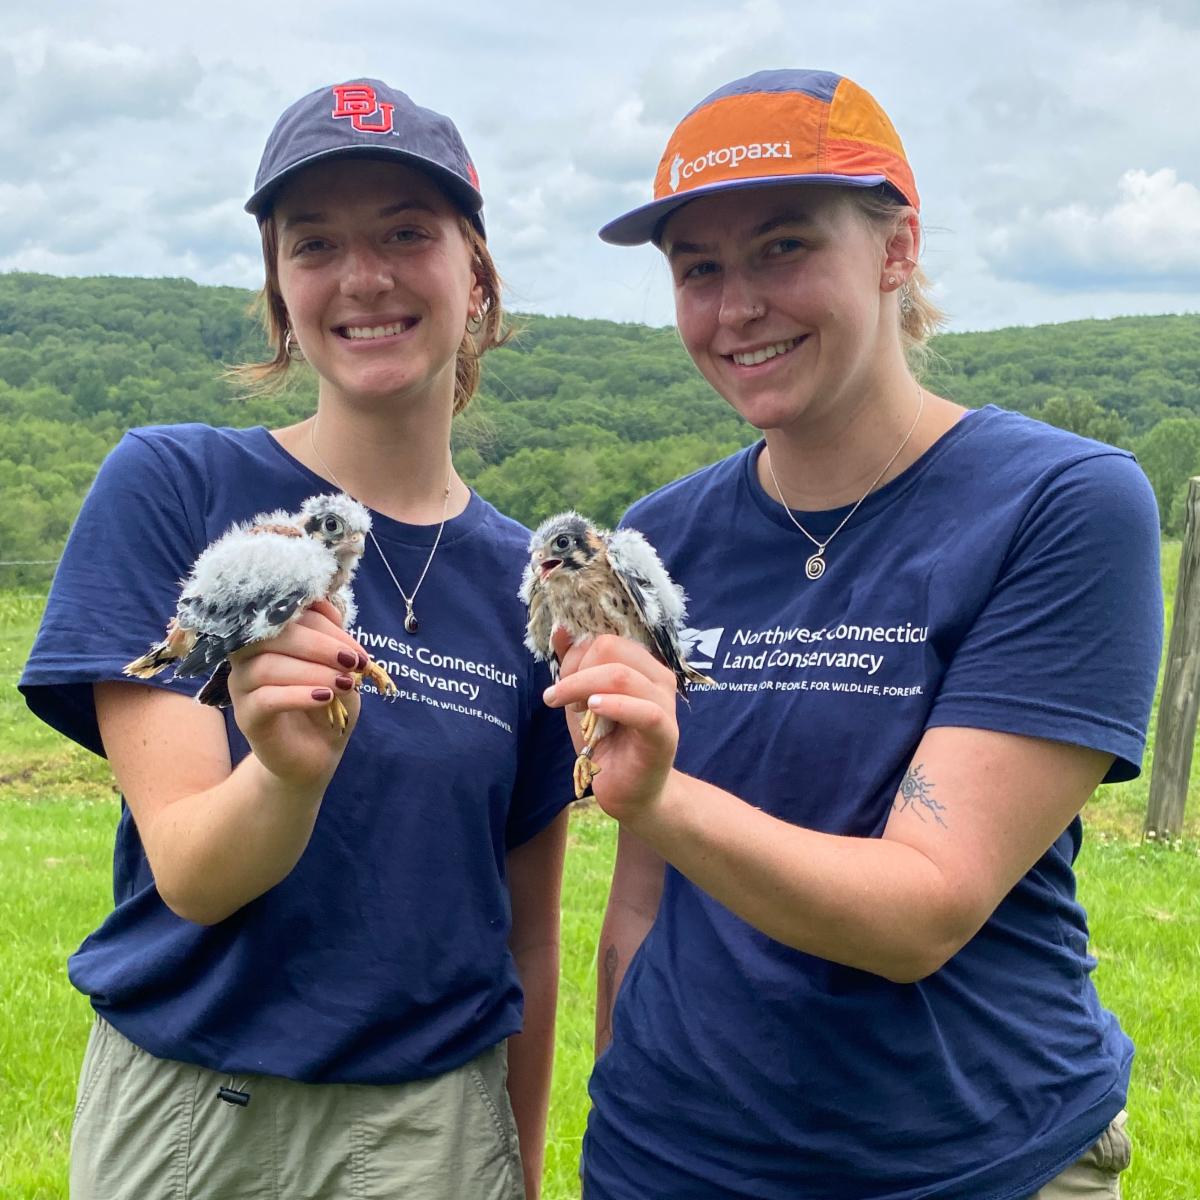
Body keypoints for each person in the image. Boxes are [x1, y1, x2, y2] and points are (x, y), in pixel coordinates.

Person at [542, 69, 1163, 1199]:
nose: (736, 308)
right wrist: (623, 1114)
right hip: (672, 1163)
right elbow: (641, 898)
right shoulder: (663, 536)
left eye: (784, 247)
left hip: (966, 1162)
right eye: (699, 269)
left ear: (895, 249)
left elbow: (922, 909)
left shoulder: (1060, 503)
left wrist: (665, 794)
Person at [21, 78, 574, 1200]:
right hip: (188, 1114)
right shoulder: (177, 486)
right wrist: (281, 771)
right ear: (279, 289)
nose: (362, 276)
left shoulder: (526, 585)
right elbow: (194, 874)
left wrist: (513, 1162)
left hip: (432, 1130)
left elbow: (523, 936)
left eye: (407, 233)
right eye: (314, 242)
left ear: (477, 278)